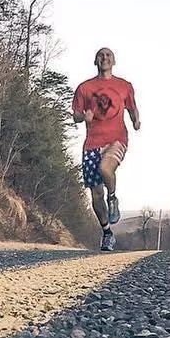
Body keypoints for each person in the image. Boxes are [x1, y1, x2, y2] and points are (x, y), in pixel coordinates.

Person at [72, 47, 141, 251]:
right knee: (95, 194)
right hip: (92, 143)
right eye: (101, 56)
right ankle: (107, 233)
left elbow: (132, 107)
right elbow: (75, 114)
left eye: (108, 55)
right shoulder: (84, 88)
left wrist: (136, 120)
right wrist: (83, 117)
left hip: (116, 139)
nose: (104, 58)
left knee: (105, 169)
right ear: (95, 61)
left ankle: (113, 197)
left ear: (114, 61)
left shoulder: (124, 86)